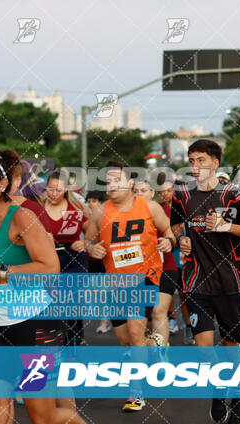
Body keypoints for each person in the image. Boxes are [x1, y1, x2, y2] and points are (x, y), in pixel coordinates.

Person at [0, 150, 85, 424]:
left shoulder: (22, 217)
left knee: (42, 417)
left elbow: (50, 268)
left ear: (1, 184)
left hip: (37, 328)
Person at [171, 140, 240, 424]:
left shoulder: (233, 195)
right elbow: (176, 224)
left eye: (201, 160)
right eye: (191, 161)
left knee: (231, 345)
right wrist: (182, 239)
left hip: (229, 281)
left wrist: (229, 227)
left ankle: (237, 395)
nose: (195, 166)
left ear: (215, 163)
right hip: (195, 281)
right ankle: (218, 387)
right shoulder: (182, 195)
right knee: (203, 347)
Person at [85, 161, 175, 412]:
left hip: (143, 277)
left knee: (135, 336)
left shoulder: (150, 206)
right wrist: (93, 248)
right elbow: (88, 240)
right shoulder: (100, 212)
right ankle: (155, 346)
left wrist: (168, 241)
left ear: (131, 183)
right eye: (108, 181)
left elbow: (168, 231)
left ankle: (136, 392)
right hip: (114, 282)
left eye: (117, 180)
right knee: (125, 339)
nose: (111, 185)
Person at [45, 170, 90, 346]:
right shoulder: (38, 209)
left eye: (58, 189)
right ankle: (57, 344)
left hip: (74, 260)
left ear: (66, 190)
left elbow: (92, 230)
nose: (54, 193)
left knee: (72, 304)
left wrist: (85, 242)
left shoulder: (76, 208)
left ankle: (74, 344)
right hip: (49, 260)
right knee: (52, 305)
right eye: (50, 189)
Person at [134, 179, 178, 344]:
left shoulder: (164, 210)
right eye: (136, 191)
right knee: (142, 318)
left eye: (143, 190)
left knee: (159, 312)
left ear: (152, 193)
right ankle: (150, 347)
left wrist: (168, 240)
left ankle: (161, 357)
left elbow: (174, 235)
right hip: (138, 271)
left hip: (165, 266)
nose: (139, 194)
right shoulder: (126, 214)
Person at [160, 179, 194, 344]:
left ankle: (191, 326)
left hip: (189, 256)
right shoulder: (159, 210)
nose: (164, 193)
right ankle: (176, 321)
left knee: (187, 294)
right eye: (162, 191)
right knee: (174, 293)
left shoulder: (189, 207)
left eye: (168, 190)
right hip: (170, 257)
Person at [85, 190, 112, 334]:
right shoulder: (84, 216)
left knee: (106, 292)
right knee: (96, 292)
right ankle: (105, 320)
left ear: (100, 203)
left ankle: (105, 321)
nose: (91, 204)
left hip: (105, 258)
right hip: (90, 259)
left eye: (94, 201)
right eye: (88, 201)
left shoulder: (104, 216)